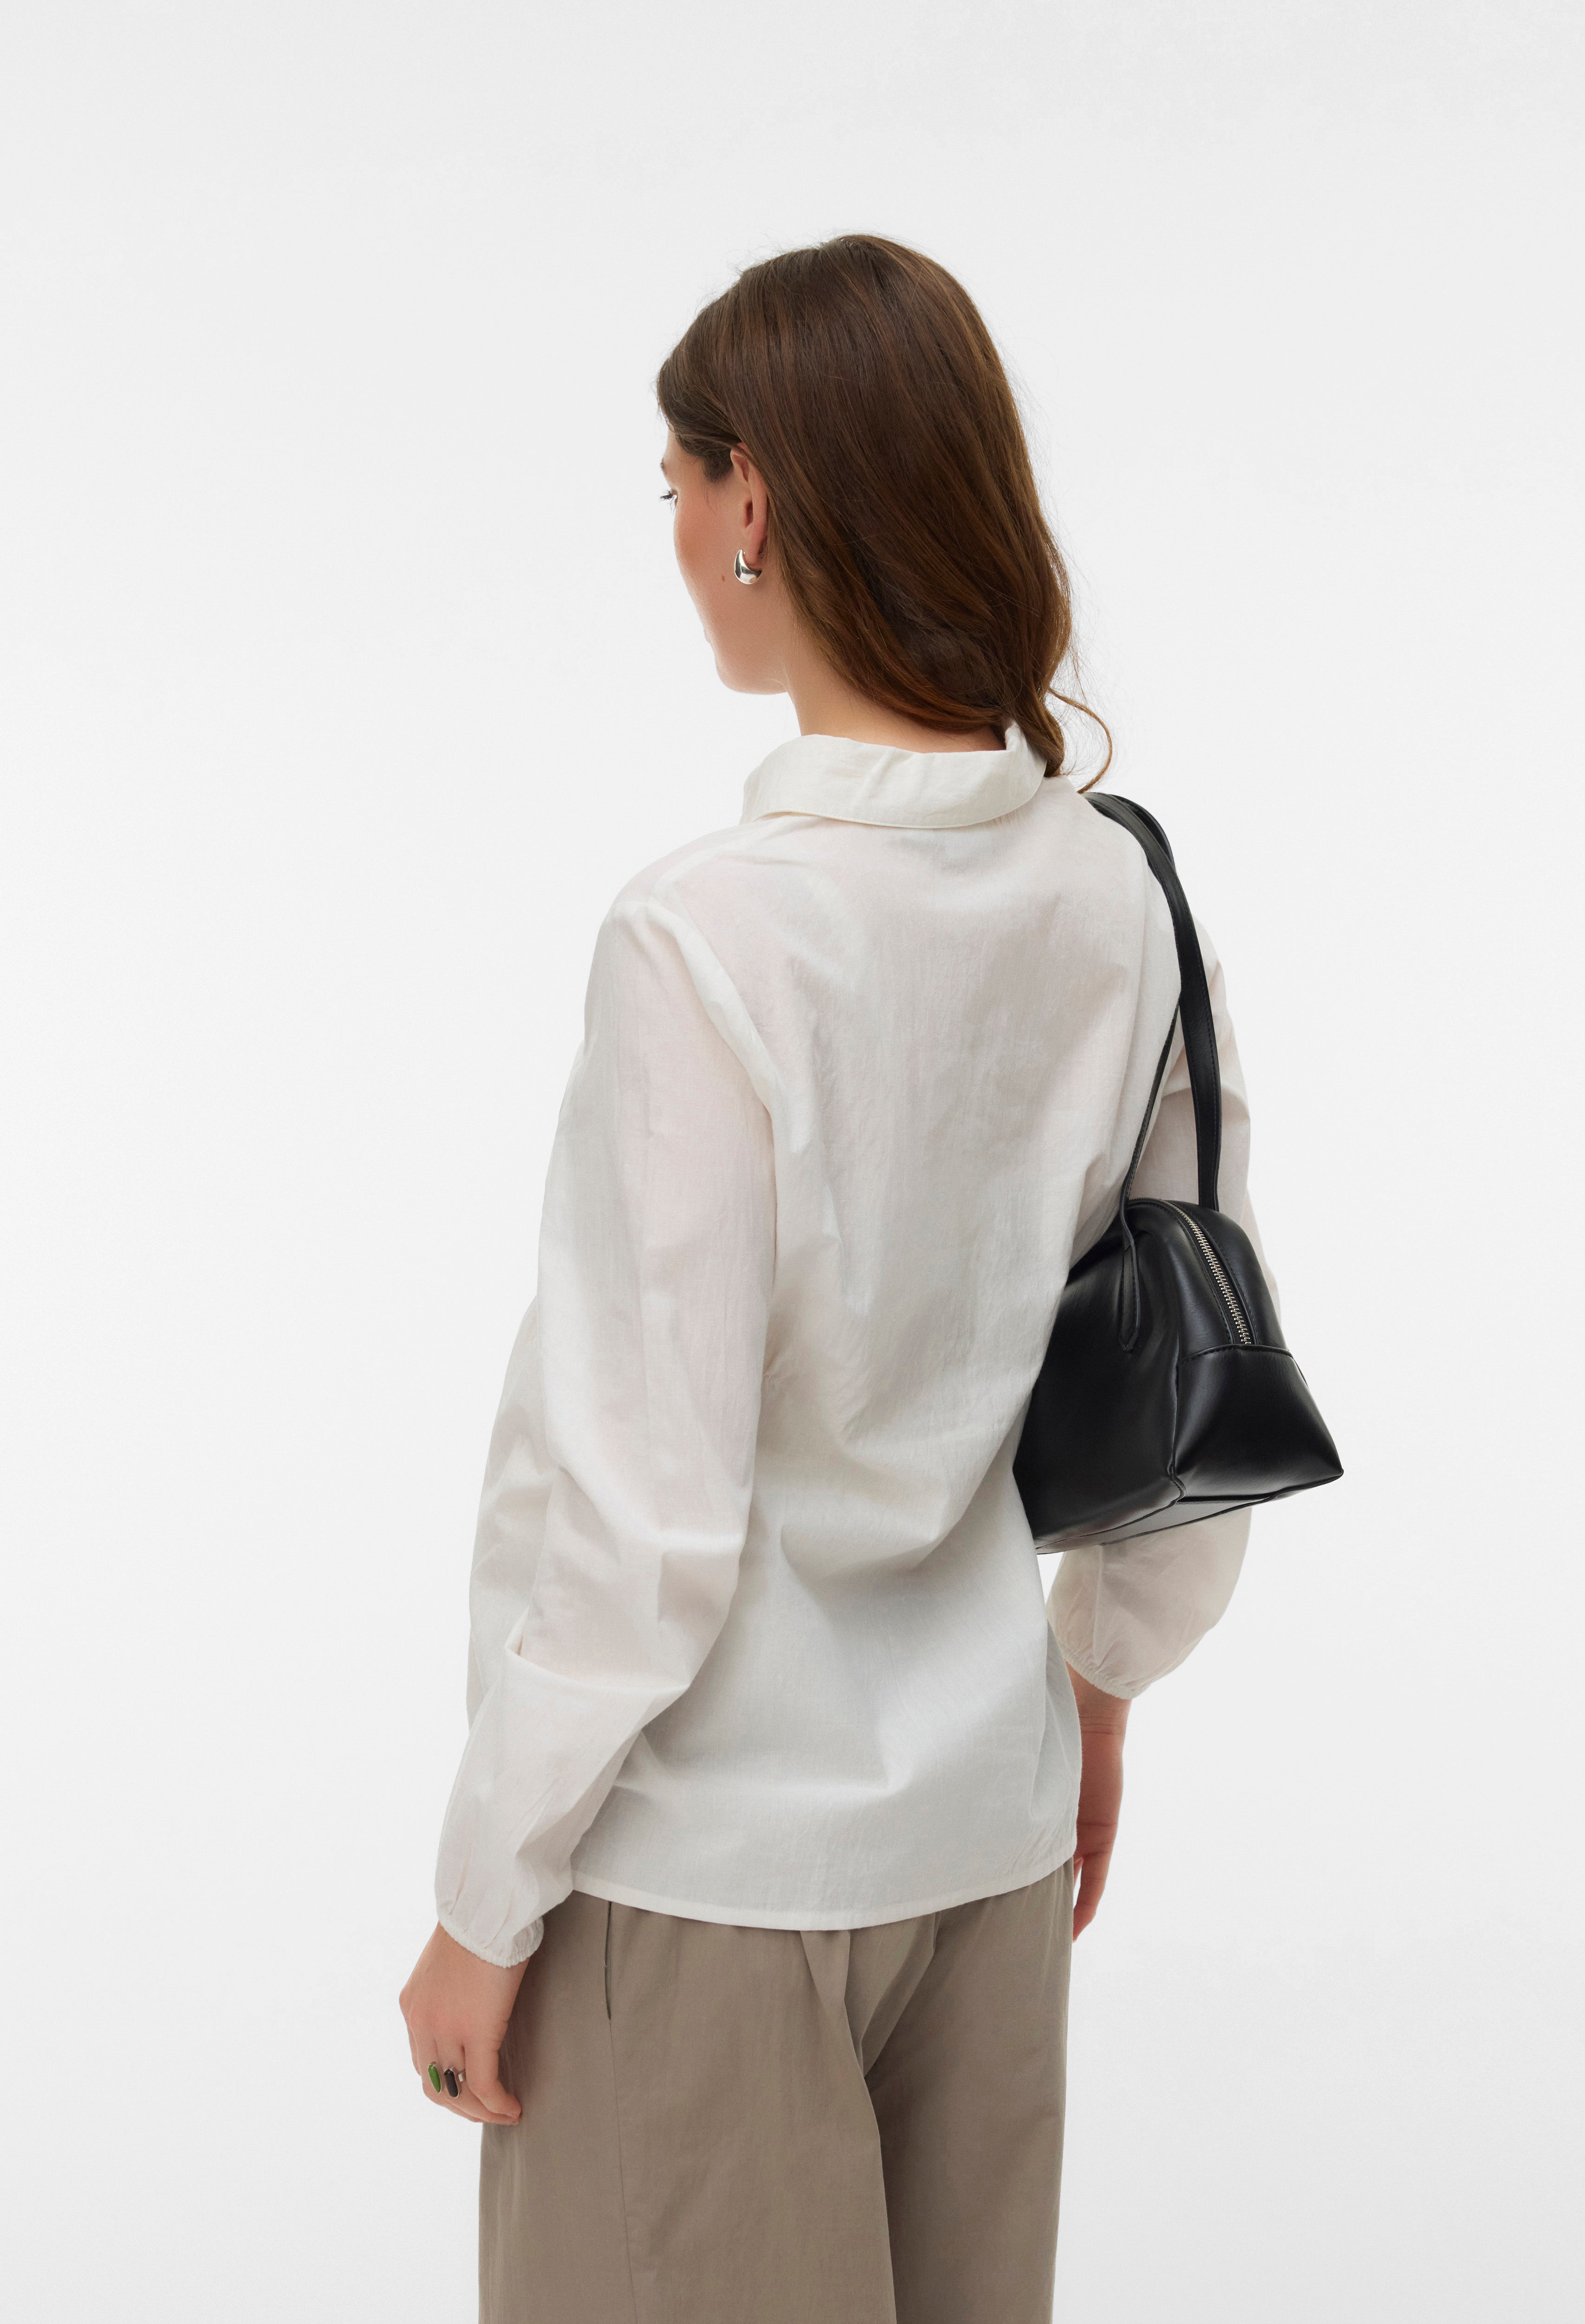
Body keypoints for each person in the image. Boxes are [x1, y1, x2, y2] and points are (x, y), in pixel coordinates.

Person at [399, 233, 1264, 2324]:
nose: (675, 534)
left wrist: (484, 1896)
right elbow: (1197, 1360)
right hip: (986, 1846)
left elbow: (645, 1512)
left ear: (755, 505)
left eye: (677, 483)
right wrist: (1097, 1692)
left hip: (696, 1878)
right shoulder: (1119, 893)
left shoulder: (706, 939)